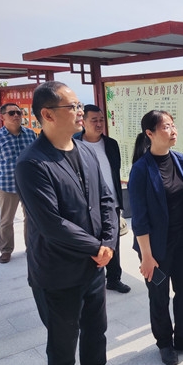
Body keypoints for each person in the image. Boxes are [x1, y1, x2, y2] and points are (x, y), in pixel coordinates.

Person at [15, 81, 134, 365]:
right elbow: (51, 223)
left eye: (79, 105)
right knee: (63, 342)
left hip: (93, 265)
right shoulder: (32, 163)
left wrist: (108, 242)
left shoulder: (85, 150)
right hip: (58, 271)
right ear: (47, 115)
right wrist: (97, 248)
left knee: (96, 329)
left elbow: (107, 200)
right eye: (73, 107)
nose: (80, 112)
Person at [128, 110, 183, 365]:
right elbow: (139, 218)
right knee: (159, 295)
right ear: (150, 134)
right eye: (166, 127)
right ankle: (164, 342)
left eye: (173, 125)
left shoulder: (179, 159)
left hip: (182, 241)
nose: (173, 131)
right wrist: (147, 256)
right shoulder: (141, 169)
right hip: (155, 249)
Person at [74, 104, 131, 293]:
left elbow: (114, 171)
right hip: (86, 205)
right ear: (83, 122)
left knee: (112, 242)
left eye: (101, 120)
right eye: (94, 120)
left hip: (111, 202)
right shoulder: (74, 144)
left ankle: (114, 279)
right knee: (90, 243)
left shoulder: (111, 144)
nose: (99, 124)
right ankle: (90, 282)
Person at [0, 103, 37, 263]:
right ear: (3, 117)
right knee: (7, 220)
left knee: (31, 218)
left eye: (19, 113)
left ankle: (32, 247)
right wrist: (3, 173)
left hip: (28, 184)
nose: (16, 116)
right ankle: (6, 250)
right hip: (7, 185)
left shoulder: (30, 134)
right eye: (12, 113)